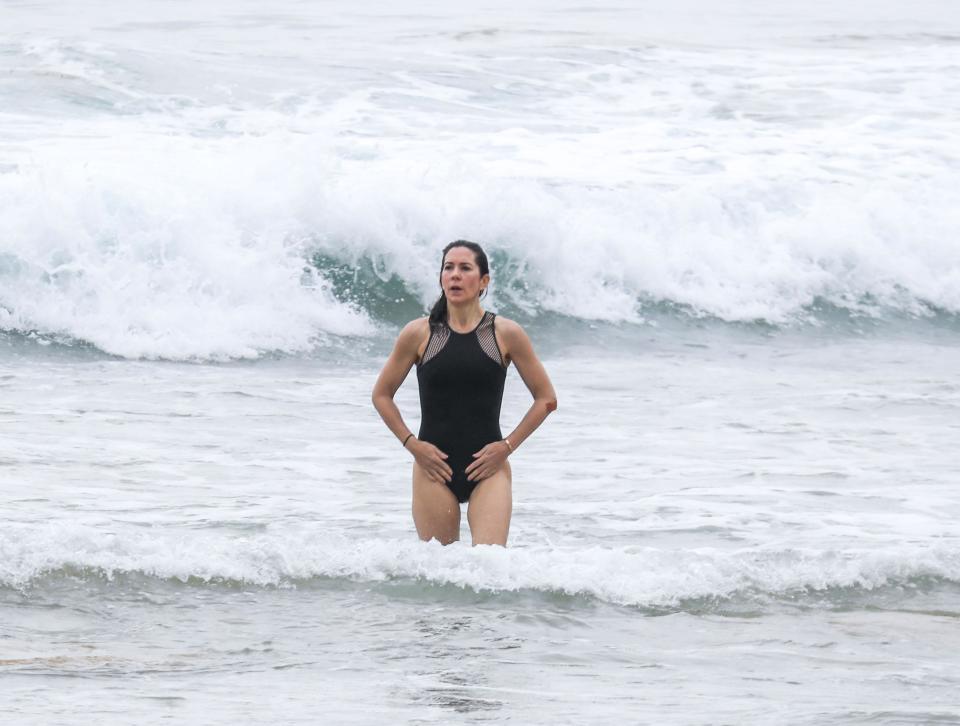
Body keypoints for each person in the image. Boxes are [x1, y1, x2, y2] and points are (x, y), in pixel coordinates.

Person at [372, 240, 557, 547]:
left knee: (490, 567)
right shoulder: (419, 334)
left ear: (484, 281)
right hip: (433, 469)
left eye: (465, 268)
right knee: (440, 577)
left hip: (489, 469)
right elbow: (381, 394)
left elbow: (546, 398)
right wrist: (413, 446)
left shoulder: (505, 333)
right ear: (441, 278)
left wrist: (506, 447)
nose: (455, 275)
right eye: (448, 268)